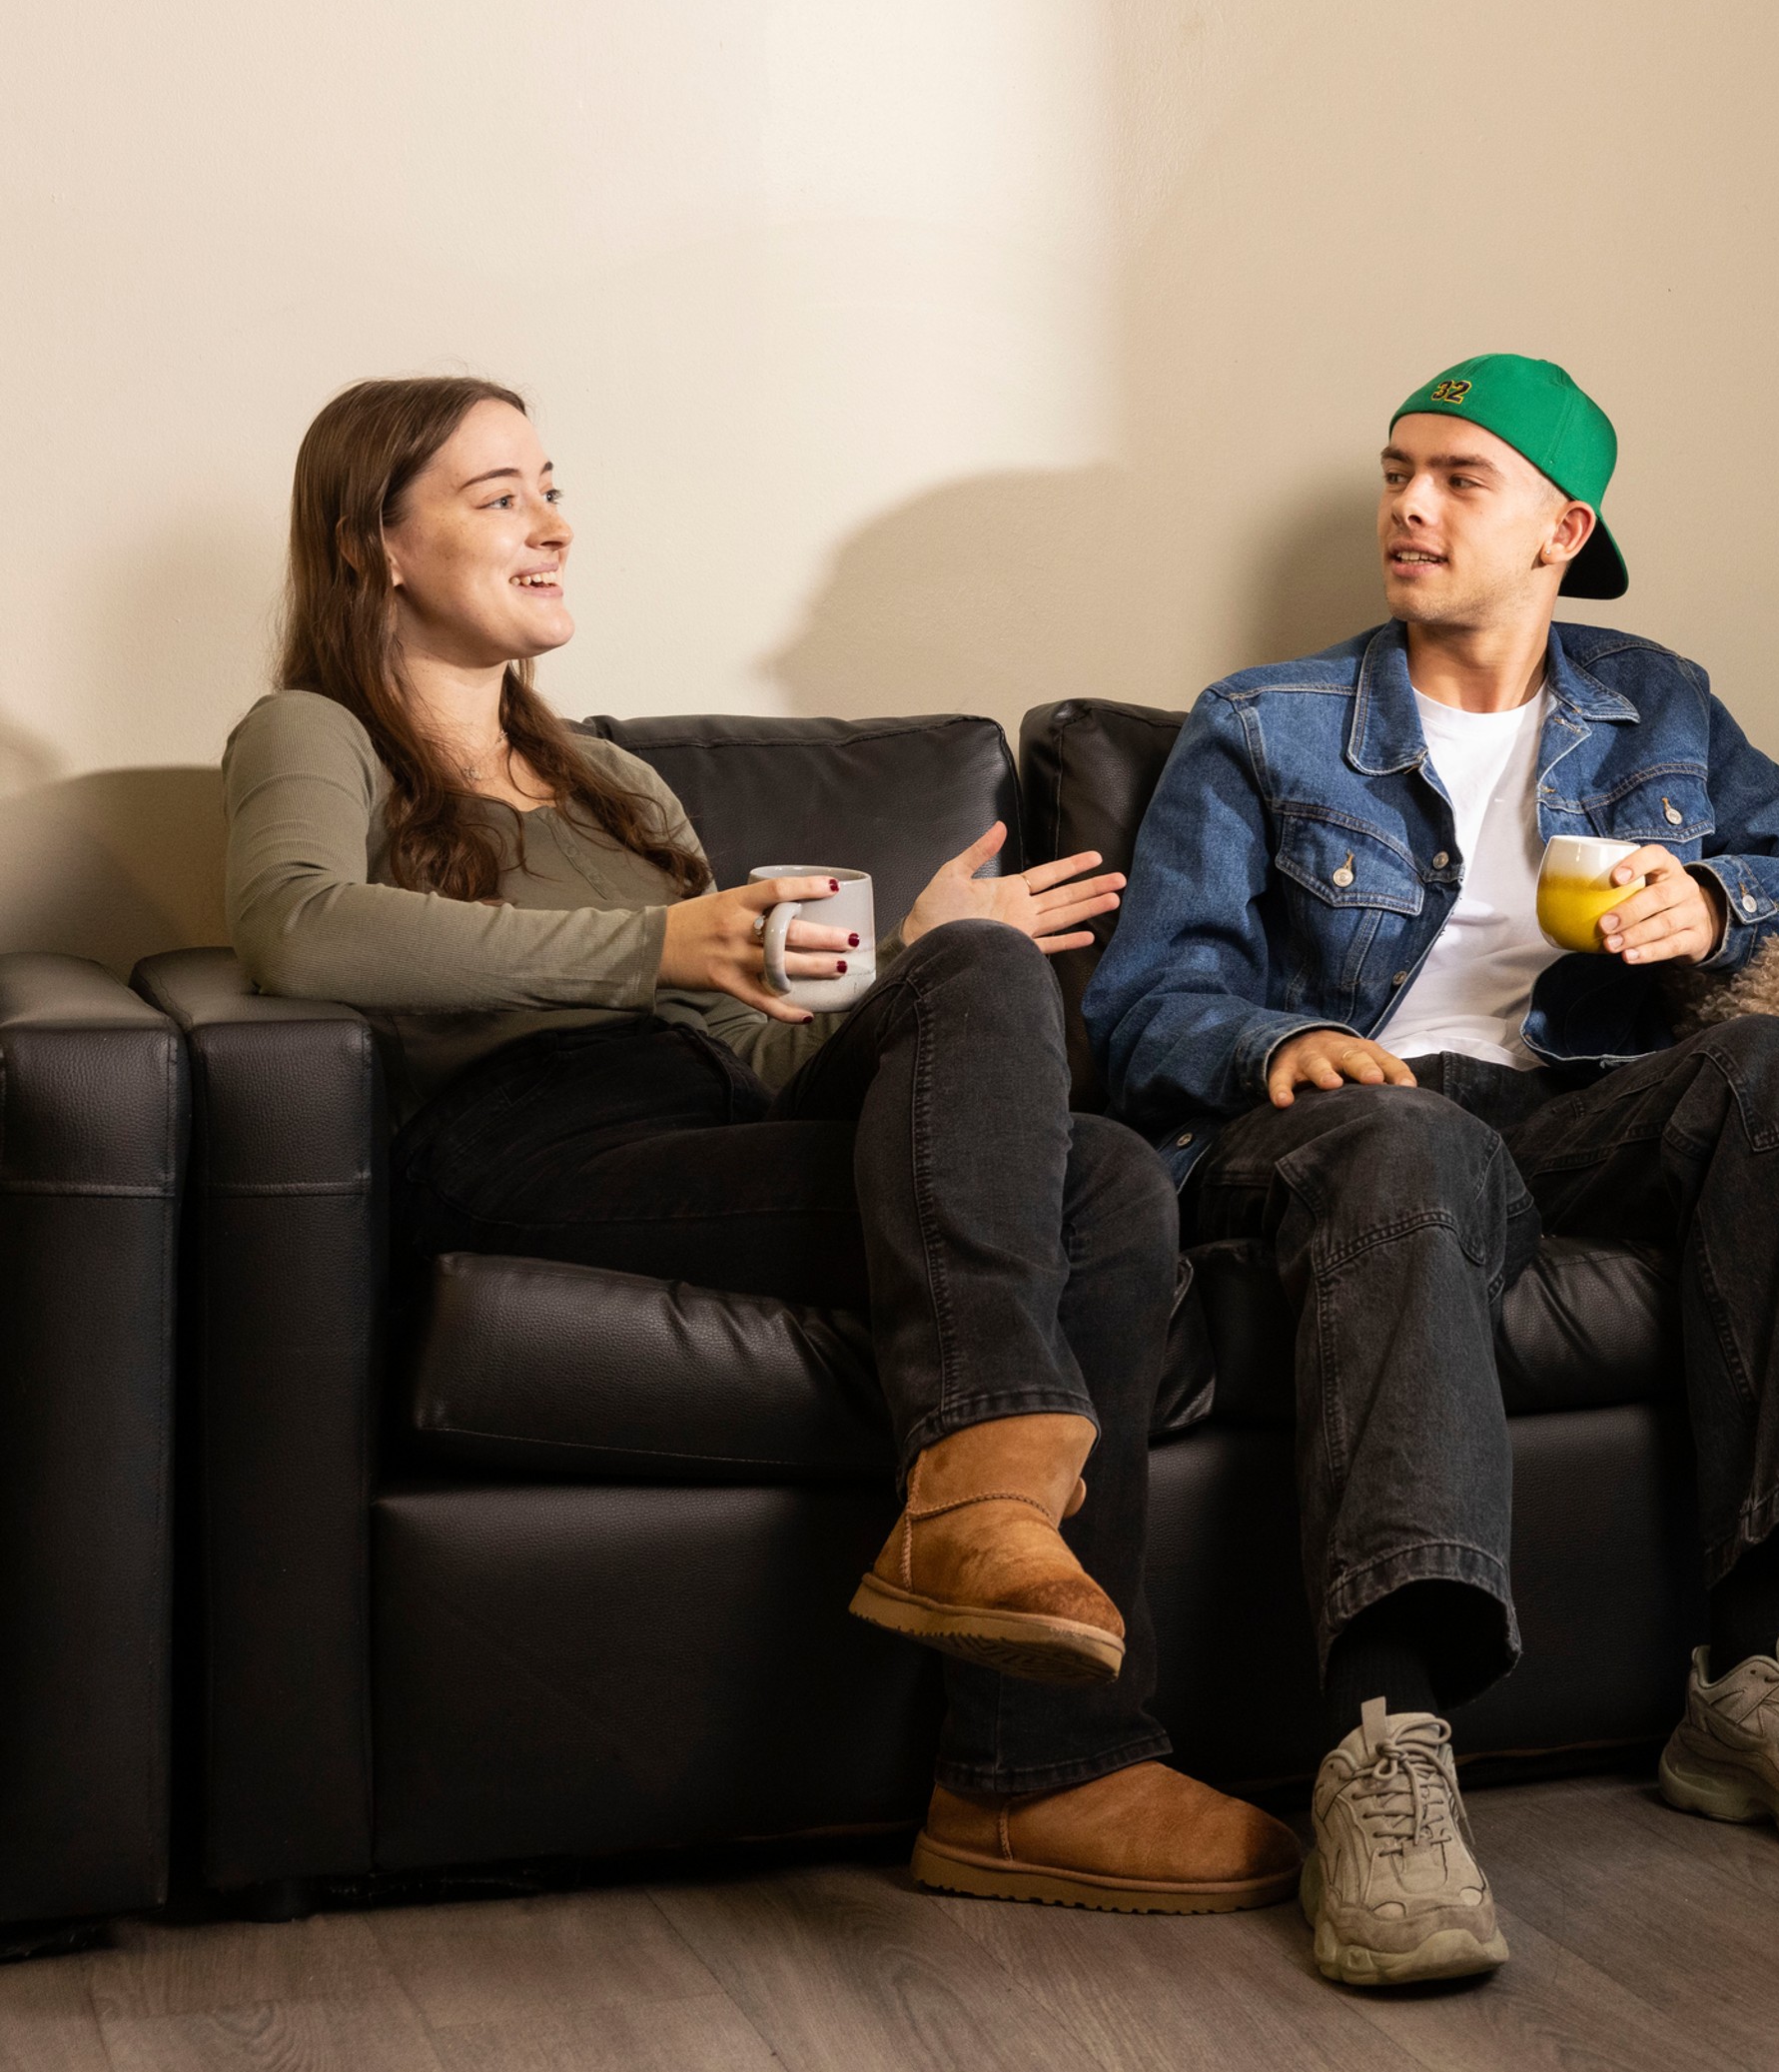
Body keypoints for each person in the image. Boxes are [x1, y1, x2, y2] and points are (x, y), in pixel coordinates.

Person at [225, 376, 1296, 1916]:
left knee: (1099, 1152)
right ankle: (1031, 1700)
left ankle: (1014, 1680)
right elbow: (295, 928)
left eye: (553, 483)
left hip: (711, 1120)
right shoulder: (315, 730)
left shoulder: (619, 780)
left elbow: (758, 1051)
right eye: (499, 494)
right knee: (1070, 1143)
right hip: (538, 1145)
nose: (554, 521)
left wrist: (921, 957)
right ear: (374, 544)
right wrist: (656, 940)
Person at [1083, 352, 1779, 1990]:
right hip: (1341, 1122)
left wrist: (1713, 898)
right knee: (1410, 1139)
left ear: (1564, 526)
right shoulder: (1262, 728)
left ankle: (1762, 1662)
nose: (1408, 506)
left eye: (1457, 479)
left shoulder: (1657, 703)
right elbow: (1143, 1006)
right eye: (1396, 472)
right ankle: (1385, 1743)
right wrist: (1278, 1043)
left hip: (1566, 1105)